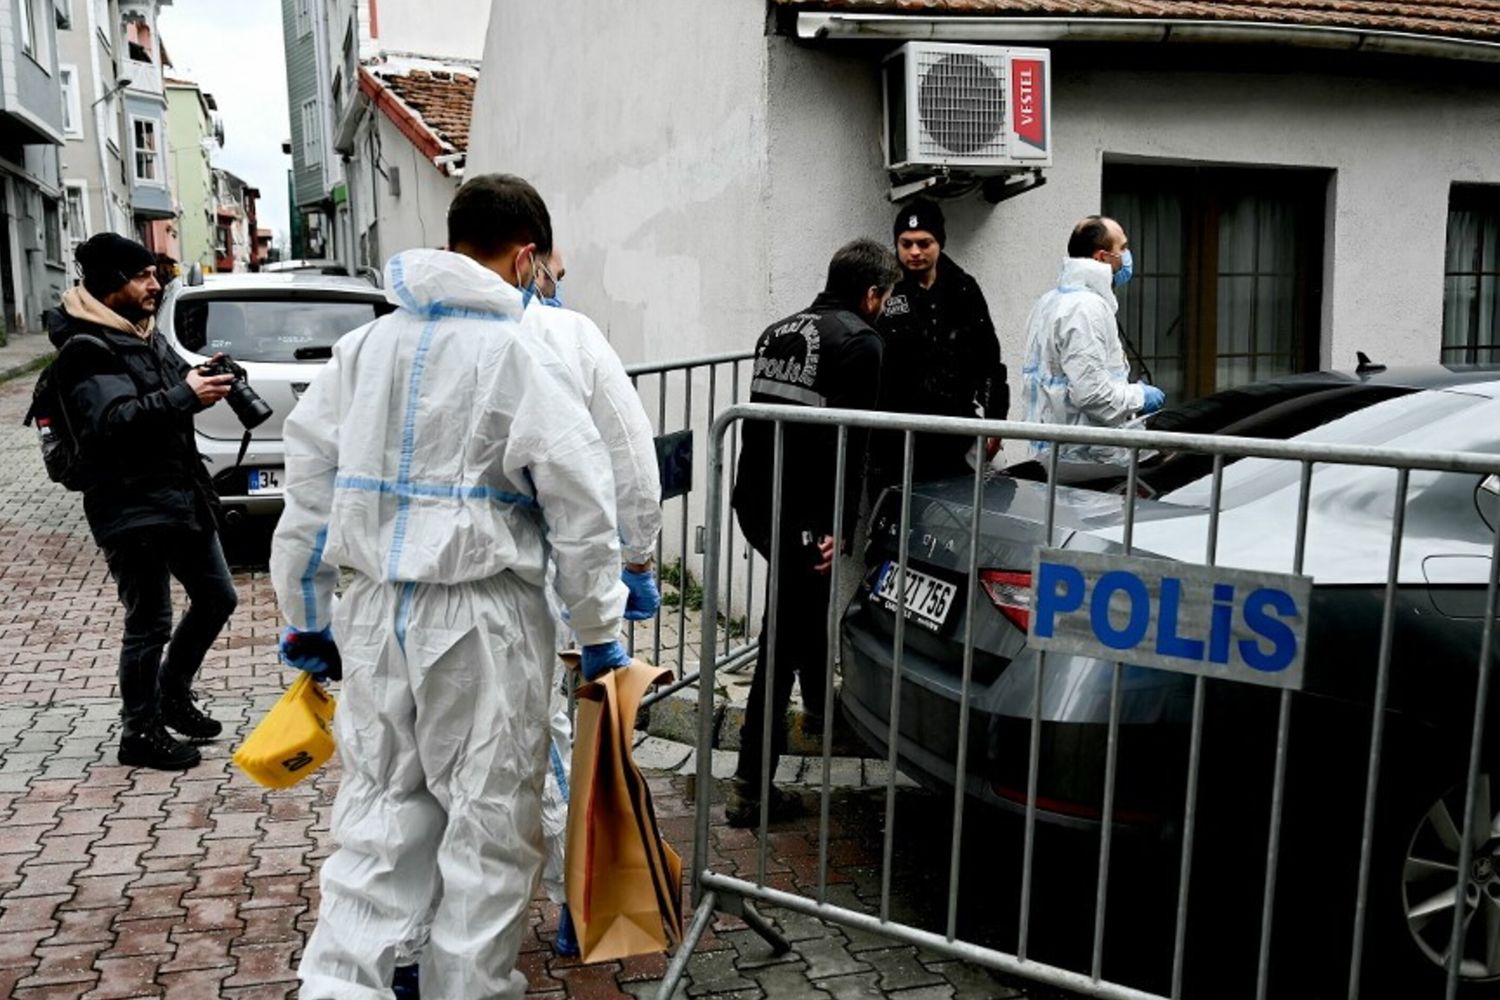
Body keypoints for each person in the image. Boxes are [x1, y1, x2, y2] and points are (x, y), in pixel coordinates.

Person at [271, 174, 632, 1000]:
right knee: (487, 830)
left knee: (377, 822)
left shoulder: (365, 350)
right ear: (527, 256)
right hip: (483, 619)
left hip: (374, 614)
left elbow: (309, 493)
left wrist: (309, 615)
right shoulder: (522, 354)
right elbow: (582, 507)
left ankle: (339, 989)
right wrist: (598, 630)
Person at [45, 233, 238, 771]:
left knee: (217, 597)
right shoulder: (86, 349)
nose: (155, 284)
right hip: (129, 503)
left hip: (179, 492)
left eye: (155, 274)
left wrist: (202, 377)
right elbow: (110, 423)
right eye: (142, 276)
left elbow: (165, 395)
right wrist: (184, 395)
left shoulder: (141, 333)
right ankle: (140, 732)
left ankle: (172, 695)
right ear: (111, 282)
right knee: (150, 620)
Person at [727, 237, 900, 828]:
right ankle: (751, 787)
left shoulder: (777, 331)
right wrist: (835, 526)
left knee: (803, 608)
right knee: (783, 636)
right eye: (885, 297)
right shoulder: (862, 341)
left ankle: (822, 713)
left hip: (757, 500)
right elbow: (847, 442)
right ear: (872, 293)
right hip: (801, 512)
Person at [521, 244, 663, 958]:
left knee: (422, 778)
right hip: (525, 583)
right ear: (530, 257)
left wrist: (312, 611)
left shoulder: (388, 339)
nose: (561, 279)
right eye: (557, 267)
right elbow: (629, 459)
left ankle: (411, 947)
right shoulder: (562, 335)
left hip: (398, 601)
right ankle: (577, 900)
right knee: (546, 741)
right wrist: (634, 559)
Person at [872, 199, 1007, 490]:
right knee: (896, 509)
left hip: (953, 431)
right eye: (906, 244)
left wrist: (996, 421)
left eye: (924, 243)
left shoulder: (963, 288)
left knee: (957, 507)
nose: (914, 252)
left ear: (940, 243)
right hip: (894, 435)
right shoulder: (883, 288)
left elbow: (989, 359)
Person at [1021, 215, 1165, 463]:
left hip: (1055, 454)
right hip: (1086, 459)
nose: (1127, 256)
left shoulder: (1050, 301)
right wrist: (1140, 397)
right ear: (1101, 257)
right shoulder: (1085, 309)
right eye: (1123, 248)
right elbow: (1092, 395)